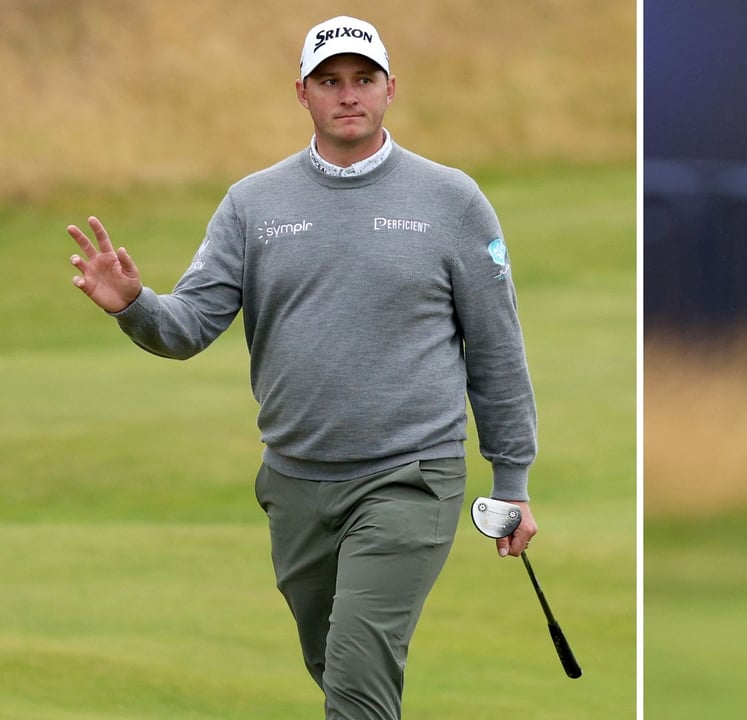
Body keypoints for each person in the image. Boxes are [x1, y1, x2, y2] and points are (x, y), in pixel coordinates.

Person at [66, 15, 538, 719]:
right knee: (339, 671)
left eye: (363, 80)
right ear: (302, 94)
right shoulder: (253, 204)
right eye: (329, 81)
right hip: (296, 485)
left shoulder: (451, 201)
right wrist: (135, 304)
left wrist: (513, 480)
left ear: (390, 90)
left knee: (354, 677)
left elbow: (496, 347)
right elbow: (189, 328)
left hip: (412, 478)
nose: (348, 95)